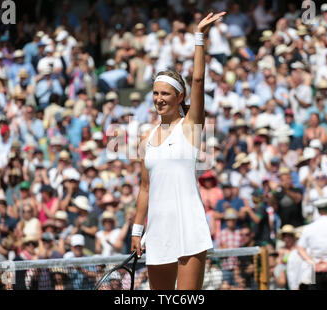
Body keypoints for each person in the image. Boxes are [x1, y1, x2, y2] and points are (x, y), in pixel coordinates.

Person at [131, 12, 225, 290]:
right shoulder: (146, 138)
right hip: (157, 231)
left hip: (189, 226)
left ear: (179, 97)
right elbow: (145, 189)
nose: (159, 99)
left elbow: (198, 80)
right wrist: (137, 231)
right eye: (156, 93)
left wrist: (199, 37)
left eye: (166, 94)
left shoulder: (191, 126)